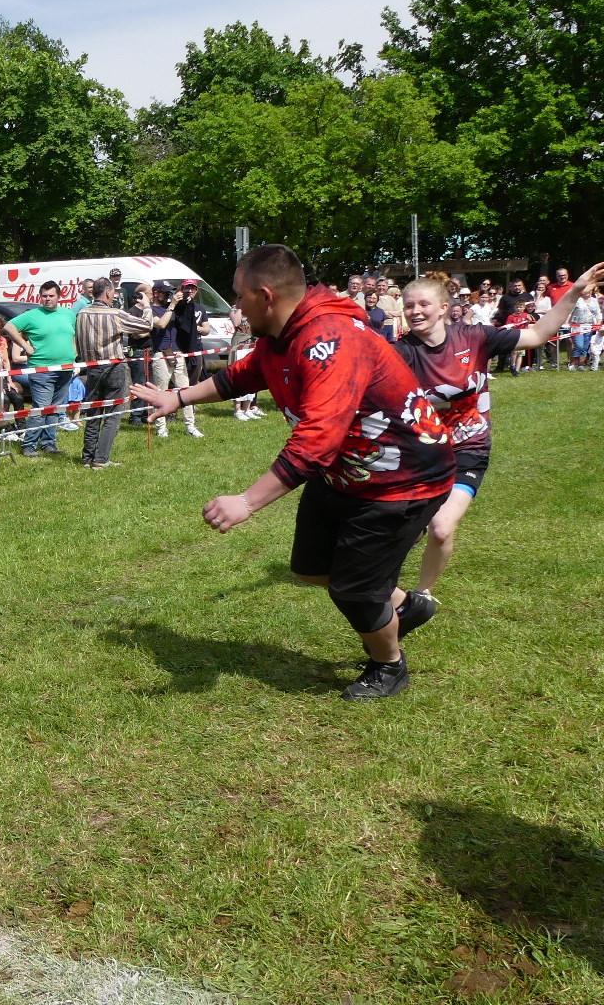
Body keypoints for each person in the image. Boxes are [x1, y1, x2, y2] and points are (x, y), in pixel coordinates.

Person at [132, 244, 456, 701]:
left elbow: (317, 439)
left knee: (355, 592)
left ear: (265, 295)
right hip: (345, 473)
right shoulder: (281, 335)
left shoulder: (330, 340)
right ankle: (405, 605)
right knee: (311, 568)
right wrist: (178, 399)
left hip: (400, 480)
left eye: (239, 297)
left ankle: (389, 665)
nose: (236, 307)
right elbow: (241, 376)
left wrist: (246, 501)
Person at [395, 265, 600, 602]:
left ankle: (422, 595)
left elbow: (536, 335)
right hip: (422, 453)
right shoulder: (401, 352)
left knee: (442, 527)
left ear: (444, 308)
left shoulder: (475, 336)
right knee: (405, 525)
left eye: (423, 305)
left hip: (469, 449)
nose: (415, 312)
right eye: (409, 306)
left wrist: (575, 291)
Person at [74, 277, 152, 469]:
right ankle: (101, 459)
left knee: (93, 412)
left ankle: (87, 458)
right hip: (113, 368)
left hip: (92, 368)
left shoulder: (82, 313)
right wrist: (147, 306)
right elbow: (146, 325)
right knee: (113, 414)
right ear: (108, 292)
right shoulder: (114, 314)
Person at [3, 280, 78, 456]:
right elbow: (8, 326)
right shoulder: (32, 315)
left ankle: (49, 443)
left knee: (55, 408)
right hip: (42, 370)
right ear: (40, 297)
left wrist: (74, 352)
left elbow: (72, 335)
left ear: (59, 297)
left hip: (65, 369)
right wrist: (25, 346)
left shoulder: (68, 315)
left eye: (51, 296)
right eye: (44, 296)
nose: (47, 299)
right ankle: (28, 445)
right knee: (41, 409)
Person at [146, 280, 203, 438]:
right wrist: (172, 306)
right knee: (160, 392)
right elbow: (161, 324)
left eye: (169, 292)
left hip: (178, 353)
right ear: (156, 293)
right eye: (165, 292)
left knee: (185, 391)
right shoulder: (151, 310)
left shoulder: (173, 308)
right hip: (161, 353)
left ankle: (190, 425)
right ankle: (161, 427)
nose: (168, 295)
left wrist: (184, 298)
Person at [172, 277, 211, 382]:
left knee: (195, 374)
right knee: (180, 378)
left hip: (196, 345)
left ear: (196, 290)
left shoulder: (200, 308)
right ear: (182, 289)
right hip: (179, 346)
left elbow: (207, 329)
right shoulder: (176, 306)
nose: (189, 291)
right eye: (187, 288)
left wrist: (196, 328)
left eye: (192, 288)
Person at [568, 282, 600, 369]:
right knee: (579, 345)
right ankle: (572, 364)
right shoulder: (577, 300)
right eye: (586, 290)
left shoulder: (594, 301)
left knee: (585, 346)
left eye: (590, 290)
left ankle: (581, 364)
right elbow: (569, 313)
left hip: (589, 326)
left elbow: (598, 314)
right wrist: (567, 324)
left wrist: (597, 325)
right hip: (577, 326)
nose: (588, 292)